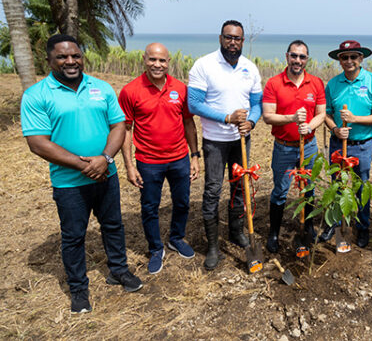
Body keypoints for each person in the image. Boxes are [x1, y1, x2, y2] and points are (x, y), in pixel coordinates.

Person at [20, 34, 142, 313]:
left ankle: (118, 270)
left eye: (75, 55)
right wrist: (86, 165)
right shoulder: (37, 95)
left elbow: (118, 126)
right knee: (74, 235)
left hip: (106, 176)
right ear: (49, 60)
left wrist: (106, 159)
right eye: (62, 56)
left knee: (113, 226)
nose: (70, 61)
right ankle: (78, 288)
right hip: (69, 183)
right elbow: (38, 142)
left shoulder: (101, 88)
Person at [187, 20, 263, 271]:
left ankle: (235, 231)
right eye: (228, 37)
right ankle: (212, 246)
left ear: (243, 41)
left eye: (238, 39)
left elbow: (257, 103)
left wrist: (250, 122)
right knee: (212, 190)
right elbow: (194, 104)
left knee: (240, 186)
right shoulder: (204, 65)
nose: (233, 42)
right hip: (215, 141)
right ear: (220, 38)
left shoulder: (250, 68)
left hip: (241, 140)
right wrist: (227, 118)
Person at [118, 43, 200, 275]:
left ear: (168, 62)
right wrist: (129, 165)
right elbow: (126, 129)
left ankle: (176, 237)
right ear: (144, 59)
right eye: (153, 59)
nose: (157, 64)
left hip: (179, 158)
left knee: (182, 202)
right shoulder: (130, 91)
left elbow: (188, 123)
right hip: (148, 161)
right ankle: (156, 248)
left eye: (162, 60)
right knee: (150, 207)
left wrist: (194, 156)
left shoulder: (180, 89)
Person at [321, 40, 372, 248]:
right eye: (344, 57)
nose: (349, 61)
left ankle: (363, 226)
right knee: (337, 185)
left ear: (361, 59)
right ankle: (334, 222)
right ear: (339, 61)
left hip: (363, 145)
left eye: (353, 57)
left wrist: (355, 119)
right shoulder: (333, 84)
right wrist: (335, 129)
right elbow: (326, 114)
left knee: (361, 187)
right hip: (338, 144)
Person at [262, 40, 326, 253]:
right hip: (283, 148)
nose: (298, 60)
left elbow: (321, 114)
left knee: (308, 188)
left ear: (307, 59)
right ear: (287, 56)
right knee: (280, 191)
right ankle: (273, 232)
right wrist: (291, 118)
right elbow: (268, 116)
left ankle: (307, 226)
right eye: (294, 55)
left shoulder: (316, 83)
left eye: (302, 57)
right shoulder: (273, 83)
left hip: (308, 146)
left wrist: (309, 127)